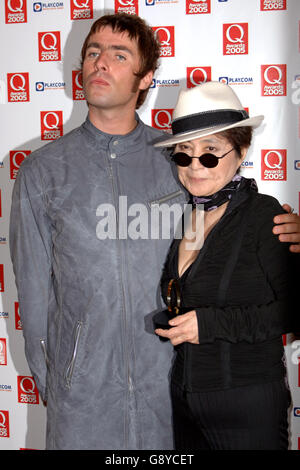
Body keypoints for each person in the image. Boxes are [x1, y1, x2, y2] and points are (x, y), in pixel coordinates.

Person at [9, 13, 300, 450]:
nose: (100, 63)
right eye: (93, 52)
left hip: (171, 393)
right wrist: (60, 383)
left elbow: (230, 226)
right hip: (83, 403)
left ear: (145, 79)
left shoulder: (177, 163)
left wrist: (288, 228)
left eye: (119, 55)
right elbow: (33, 295)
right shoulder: (41, 173)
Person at [154, 81, 300, 450]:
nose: (194, 166)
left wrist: (210, 324)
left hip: (246, 407)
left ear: (242, 149)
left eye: (210, 153)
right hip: (186, 401)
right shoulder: (188, 215)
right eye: (183, 154)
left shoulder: (266, 215)